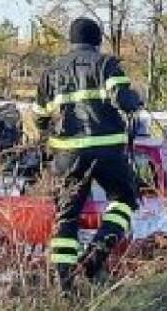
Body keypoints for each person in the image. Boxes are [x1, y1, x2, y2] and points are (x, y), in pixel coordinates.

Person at [32, 17, 143, 291]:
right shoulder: (106, 64)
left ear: (71, 41)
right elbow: (123, 99)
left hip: (67, 154)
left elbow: (39, 116)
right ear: (97, 41)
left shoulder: (51, 72)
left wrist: (49, 135)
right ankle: (94, 258)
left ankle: (64, 285)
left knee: (67, 215)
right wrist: (136, 101)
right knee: (124, 200)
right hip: (107, 151)